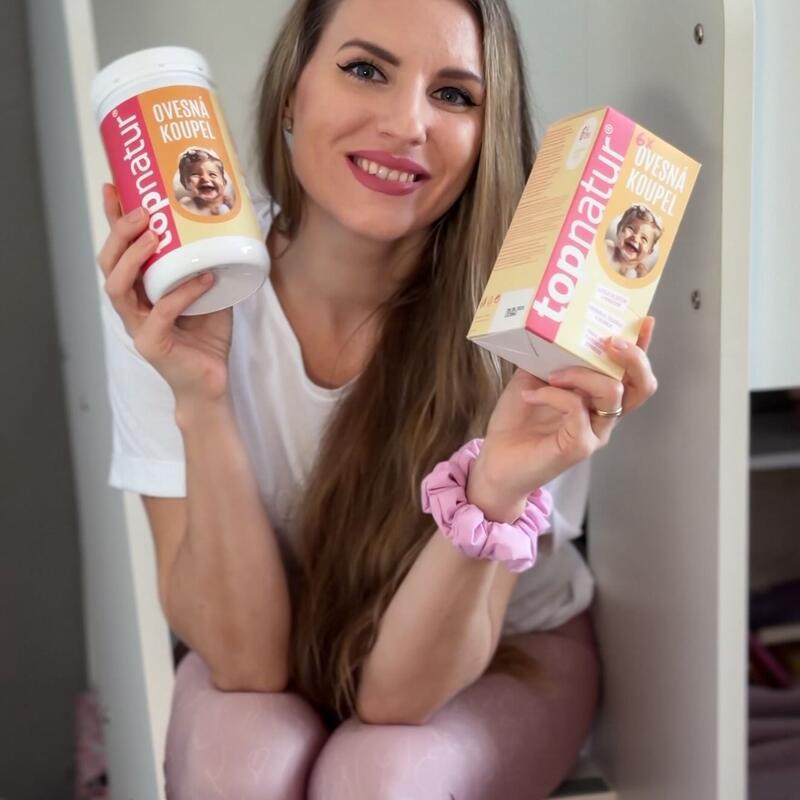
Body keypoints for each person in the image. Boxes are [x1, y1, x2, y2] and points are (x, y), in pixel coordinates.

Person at [95, 0, 659, 797]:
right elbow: (247, 664)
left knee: (377, 778)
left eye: (454, 94)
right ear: (291, 94)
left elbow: (400, 701)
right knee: (241, 761)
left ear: (485, 136)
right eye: (365, 70)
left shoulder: (535, 326)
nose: (406, 124)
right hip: (277, 646)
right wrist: (201, 397)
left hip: (499, 660)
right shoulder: (181, 291)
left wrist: (496, 489)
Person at [604, 204, 663, 279]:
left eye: (644, 238)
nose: (635, 238)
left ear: (649, 252)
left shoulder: (640, 274)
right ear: (619, 230)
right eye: (631, 229)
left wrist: (641, 277)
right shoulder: (608, 249)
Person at [177, 147, 234, 215]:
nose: (205, 179)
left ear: (224, 182)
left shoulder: (230, 203)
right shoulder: (187, 205)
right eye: (195, 174)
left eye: (212, 174)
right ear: (185, 184)